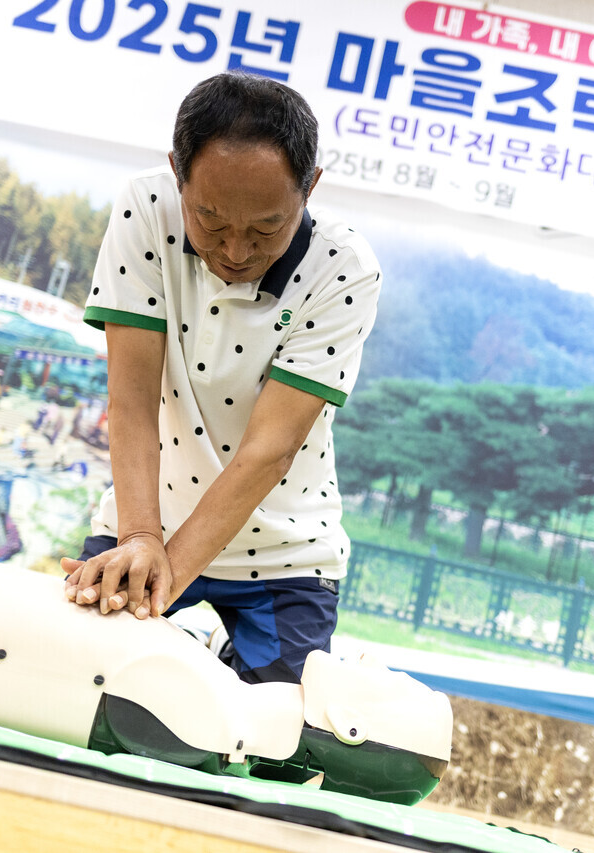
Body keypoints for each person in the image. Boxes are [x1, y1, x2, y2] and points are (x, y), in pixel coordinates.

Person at [61, 72, 382, 685]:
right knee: (83, 682)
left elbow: (269, 450)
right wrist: (139, 539)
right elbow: (131, 400)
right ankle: (192, 643)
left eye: (265, 229)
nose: (235, 251)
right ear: (177, 173)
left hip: (286, 550)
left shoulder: (344, 268)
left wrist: (159, 584)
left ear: (310, 187)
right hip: (147, 517)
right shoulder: (146, 208)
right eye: (209, 221)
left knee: (271, 724)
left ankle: (205, 648)